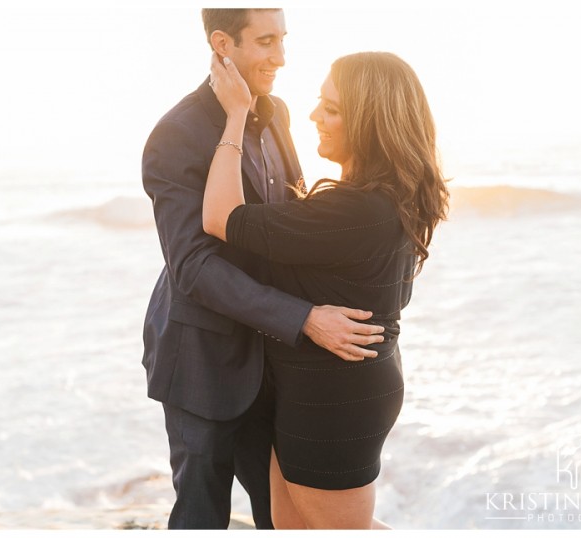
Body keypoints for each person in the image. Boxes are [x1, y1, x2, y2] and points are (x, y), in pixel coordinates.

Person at [141, 9, 385, 530]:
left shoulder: (276, 113)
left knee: (277, 514)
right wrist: (304, 317)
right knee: (202, 512)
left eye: (284, 40)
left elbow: (290, 216)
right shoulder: (176, 134)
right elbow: (193, 266)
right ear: (223, 43)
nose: (281, 57)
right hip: (203, 359)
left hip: (278, 363)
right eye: (267, 42)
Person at [203, 51, 450, 529]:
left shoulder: (354, 212)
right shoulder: (383, 200)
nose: (314, 115)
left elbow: (219, 217)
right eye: (320, 103)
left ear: (369, 122)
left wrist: (236, 114)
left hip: (335, 403)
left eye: (331, 109)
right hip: (325, 392)